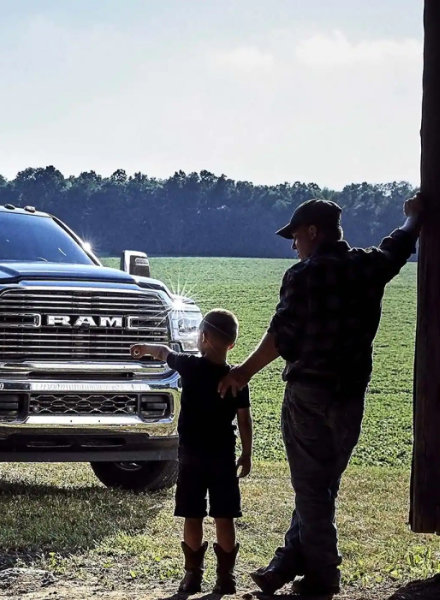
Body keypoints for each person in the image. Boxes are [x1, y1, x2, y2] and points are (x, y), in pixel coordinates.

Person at [218, 194, 424, 595]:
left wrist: (243, 372)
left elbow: (282, 335)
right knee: (322, 486)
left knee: (312, 489)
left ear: (313, 232)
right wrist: (414, 218)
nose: (294, 246)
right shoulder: (368, 267)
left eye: (295, 236)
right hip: (351, 396)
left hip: (308, 394)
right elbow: (397, 247)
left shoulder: (303, 276)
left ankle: (323, 576)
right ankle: (286, 562)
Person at [131, 309, 252, 595]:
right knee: (225, 516)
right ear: (231, 344)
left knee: (192, 514)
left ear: (204, 337)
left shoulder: (190, 367)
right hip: (223, 456)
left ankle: (192, 576)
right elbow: (245, 419)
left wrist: (143, 348)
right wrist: (246, 453)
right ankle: (226, 578)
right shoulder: (236, 379)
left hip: (191, 456)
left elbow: (163, 352)